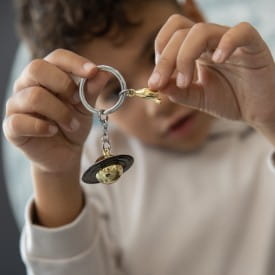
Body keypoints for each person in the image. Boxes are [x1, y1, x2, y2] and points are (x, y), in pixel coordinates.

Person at [3, 0, 275, 274]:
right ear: (87, 101)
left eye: (157, 56)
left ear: (193, 16)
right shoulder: (90, 177)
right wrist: (54, 174)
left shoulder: (265, 115)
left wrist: (270, 117)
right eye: (112, 92)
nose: (158, 101)